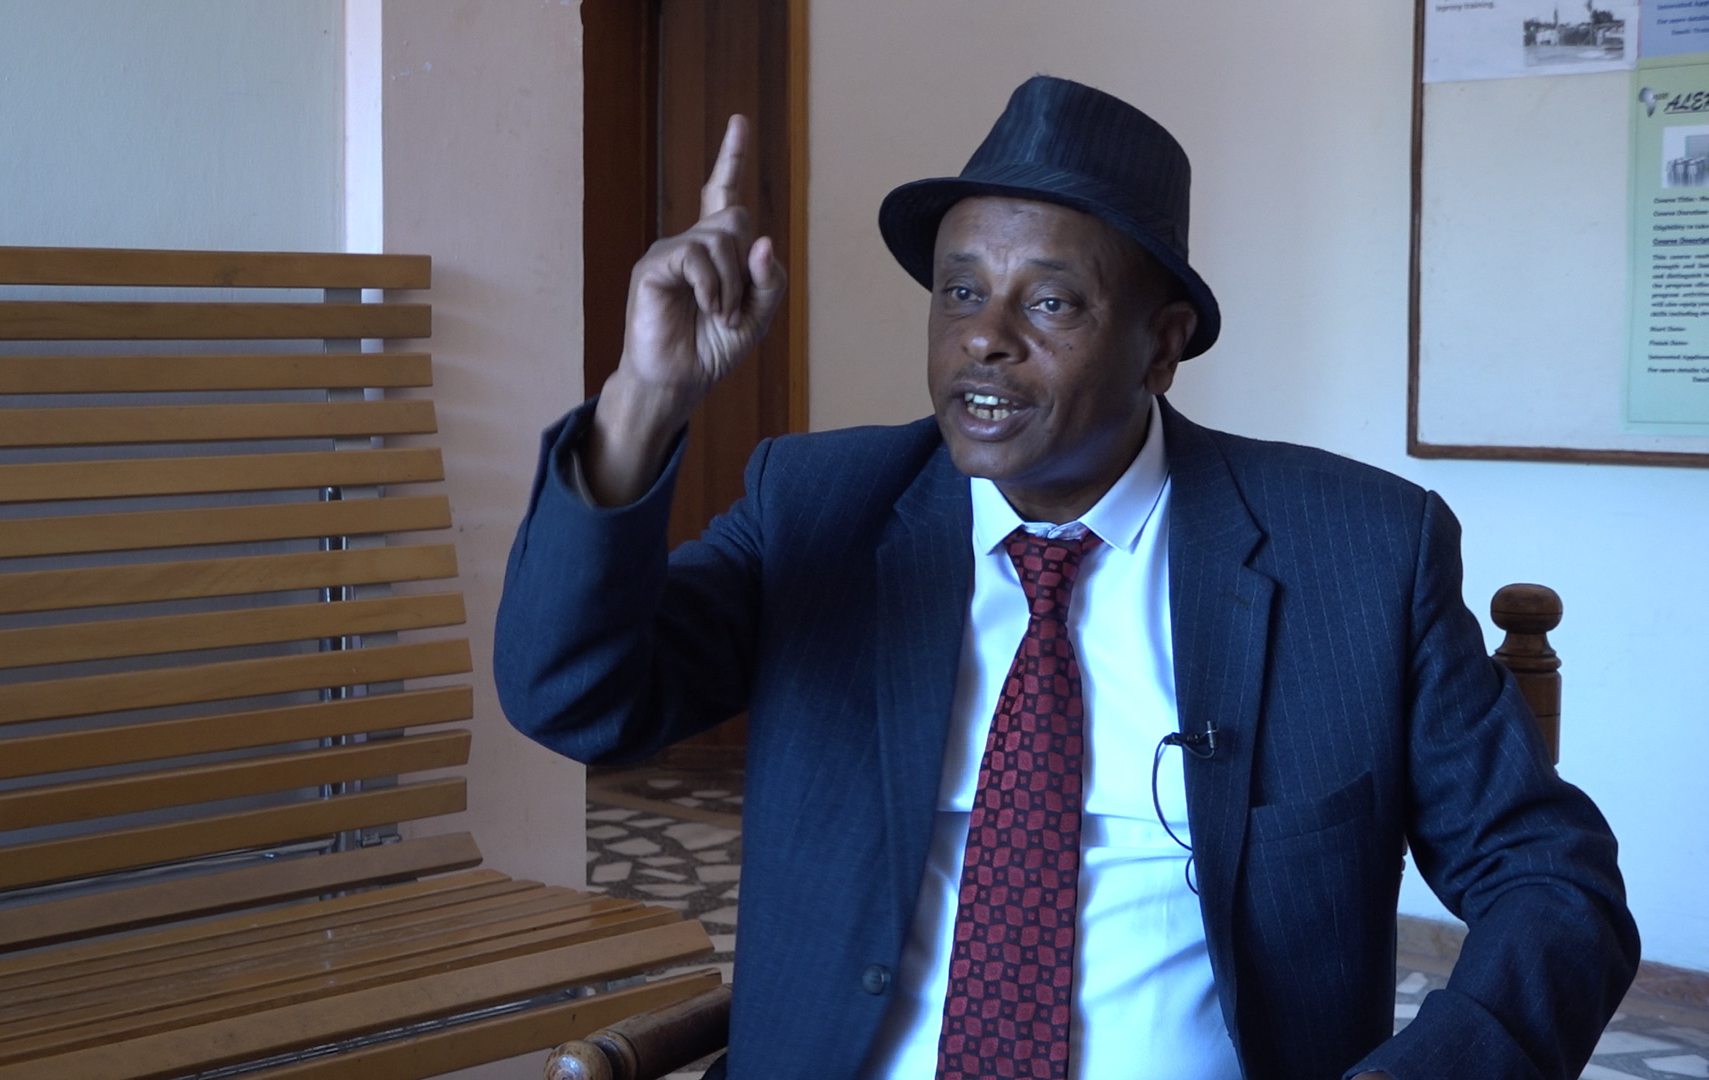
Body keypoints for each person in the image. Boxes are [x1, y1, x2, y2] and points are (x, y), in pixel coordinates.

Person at [497, 77, 1637, 1080]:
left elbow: (1553, 880)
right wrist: (643, 399)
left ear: (1162, 344)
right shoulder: (820, 507)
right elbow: (575, 698)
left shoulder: (1353, 554)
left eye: (1048, 302)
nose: (985, 338)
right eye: (959, 292)